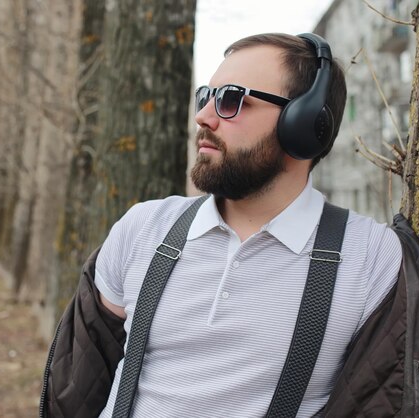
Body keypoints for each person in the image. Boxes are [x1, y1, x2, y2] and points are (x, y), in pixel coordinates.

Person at [93, 33, 402, 417]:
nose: (203, 117)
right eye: (206, 96)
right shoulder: (144, 227)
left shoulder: (370, 256)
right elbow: (87, 372)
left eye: (231, 100)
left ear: (304, 125)